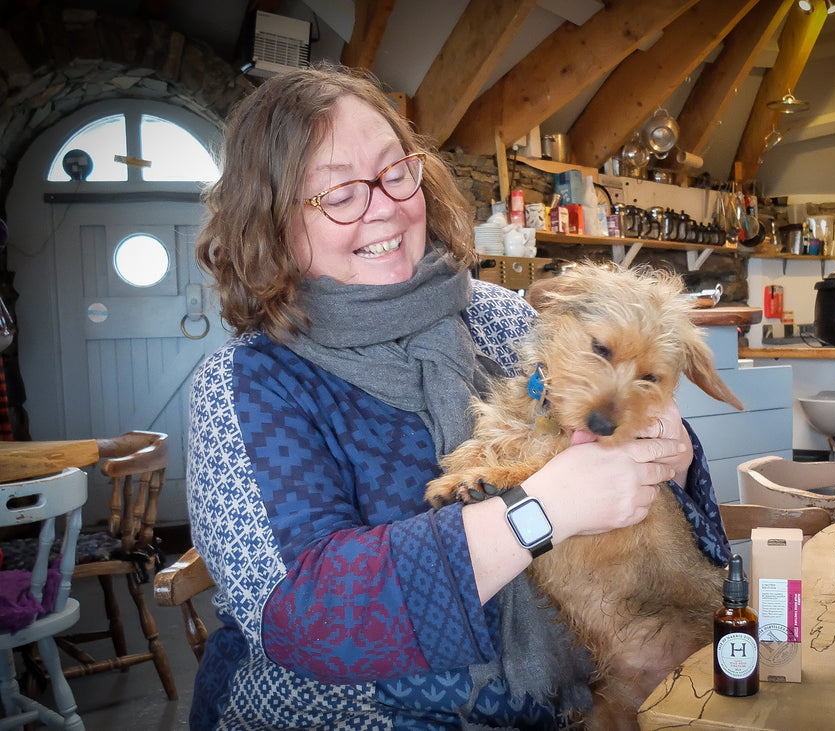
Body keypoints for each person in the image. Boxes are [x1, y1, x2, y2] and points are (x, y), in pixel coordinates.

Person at [187, 63, 731, 730]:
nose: (383, 204)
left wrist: (669, 451)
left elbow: (628, 459)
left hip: (584, 694)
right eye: (337, 194)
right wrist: (544, 509)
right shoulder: (245, 388)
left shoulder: (499, 317)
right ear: (269, 222)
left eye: (394, 171)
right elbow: (308, 615)